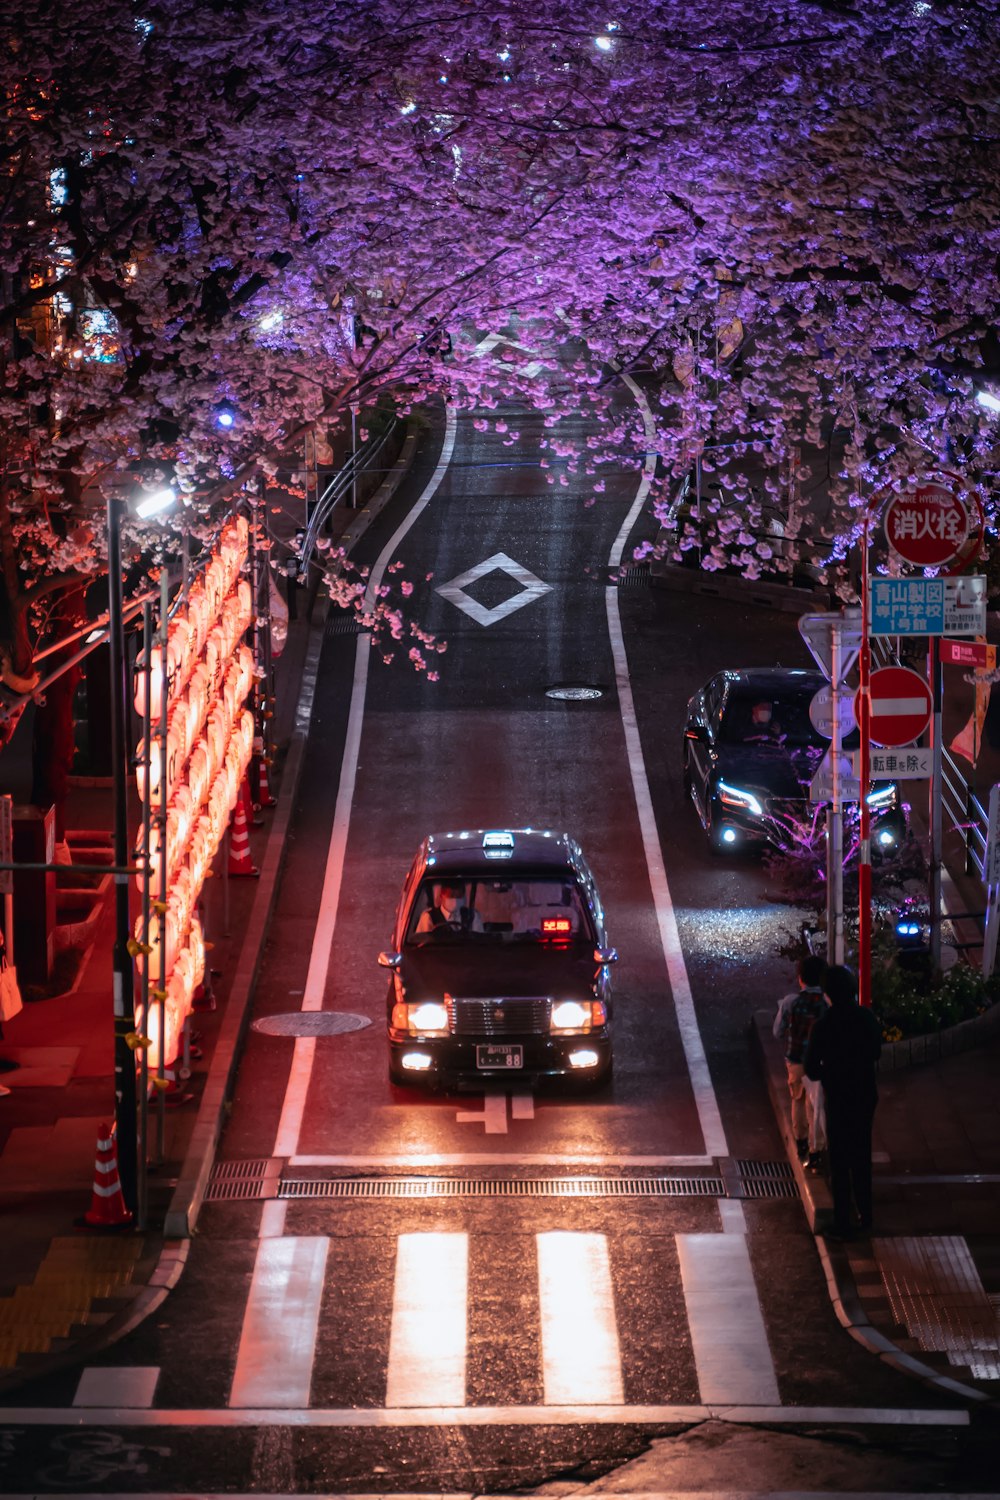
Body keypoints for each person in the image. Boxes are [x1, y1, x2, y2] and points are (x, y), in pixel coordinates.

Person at [804, 964, 883, 1241]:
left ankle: (843, 1221)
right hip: (864, 1091)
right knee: (862, 1153)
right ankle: (866, 1214)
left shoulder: (824, 1026)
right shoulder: (866, 1018)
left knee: (839, 1159)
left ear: (828, 994)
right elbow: (876, 1051)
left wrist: (832, 1070)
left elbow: (811, 1068)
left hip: (838, 1094)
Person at [773, 953, 828, 1170]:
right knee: (816, 1105)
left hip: (795, 1059)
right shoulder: (826, 1004)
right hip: (821, 1062)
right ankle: (816, 1151)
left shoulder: (790, 1002)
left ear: (800, 978)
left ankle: (801, 1142)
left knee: (797, 1099)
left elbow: (778, 1032)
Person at [415, 881, 482, 935]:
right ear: (442, 895)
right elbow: (421, 944)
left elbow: (479, 943)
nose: (455, 900)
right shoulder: (428, 917)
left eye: (459, 896)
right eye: (451, 895)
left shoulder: (472, 916)